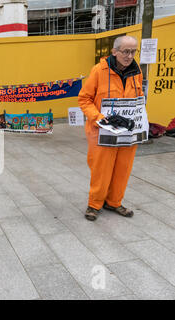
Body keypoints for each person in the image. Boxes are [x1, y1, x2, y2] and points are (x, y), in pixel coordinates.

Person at [78, 35, 144, 221]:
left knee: (123, 168)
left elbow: (138, 99)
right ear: (114, 52)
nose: (130, 56)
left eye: (133, 51)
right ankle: (94, 204)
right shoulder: (99, 70)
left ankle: (114, 202)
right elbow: (84, 99)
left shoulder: (136, 71)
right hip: (101, 130)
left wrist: (140, 120)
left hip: (127, 132)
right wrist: (99, 118)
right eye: (125, 51)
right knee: (101, 169)